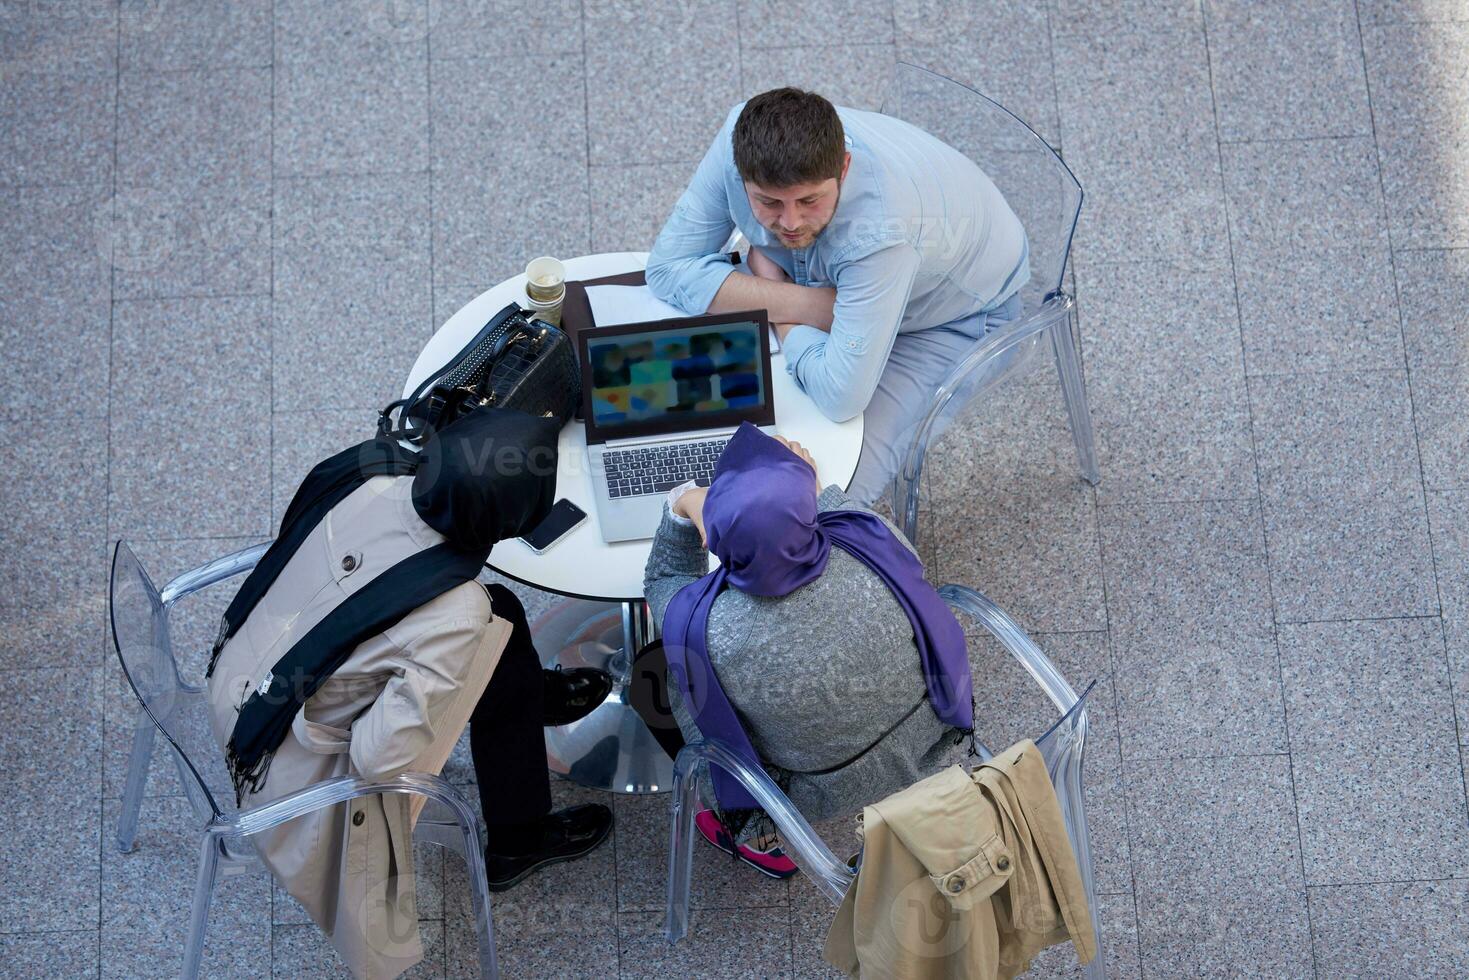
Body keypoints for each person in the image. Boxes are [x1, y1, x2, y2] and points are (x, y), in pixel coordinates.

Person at [205, 408, 613, 980]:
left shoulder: (377, 474)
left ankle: (525, 701)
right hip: (288, 767)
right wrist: (416, 694)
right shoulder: (453, 613)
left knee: (505, 613)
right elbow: (378, 760)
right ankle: (518, 840)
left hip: (239, 675)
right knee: (480, 618)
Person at [645, 87, 1030, 504]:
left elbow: (840, 396)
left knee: (829, 495)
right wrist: (809, 304)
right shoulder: (738, 136)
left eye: (809, 200)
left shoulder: (883, 232)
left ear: (844, 168)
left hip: (953, 316)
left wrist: (780, 309)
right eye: (768, 201)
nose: (789, 222)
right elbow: (665, 268)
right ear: (740, 173)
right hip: (830, 281)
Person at [636, 423, 973, 878]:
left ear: (715, 538)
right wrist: (796, 484)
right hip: (926, 737)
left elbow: (662, 581)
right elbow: (845, 514)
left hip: (813, 791)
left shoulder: (710, 631)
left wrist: (684, 502)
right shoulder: (875, 540)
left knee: (650, 673)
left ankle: (756, 830)